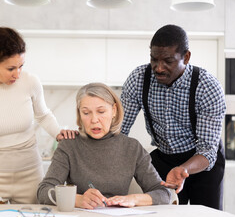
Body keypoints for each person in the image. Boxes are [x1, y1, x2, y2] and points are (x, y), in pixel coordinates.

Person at [0, 19, 76, 204]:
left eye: (21, 66)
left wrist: (59, 134)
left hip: (30, 173)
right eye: (11, 68)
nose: (17, 74)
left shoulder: (30, 82)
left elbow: (43, 115)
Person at [120, 24, 226, 210]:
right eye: (154, 59)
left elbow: (208, 150)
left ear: (186, 57)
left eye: (168, 61)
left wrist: (183, 169)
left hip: (201, 161)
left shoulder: (207, 87)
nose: (159, 68)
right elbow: (119, 128)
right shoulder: (138, 79)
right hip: (164, 158)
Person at [37, 83, 171, 209]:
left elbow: (163, 193)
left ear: (113, 111)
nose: (94, 120)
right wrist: (77, 199)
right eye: (86, 113)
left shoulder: (132, 148)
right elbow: (44, 191)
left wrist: (133, 199)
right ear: (80, 114)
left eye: (101, 112)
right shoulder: (69, 145)